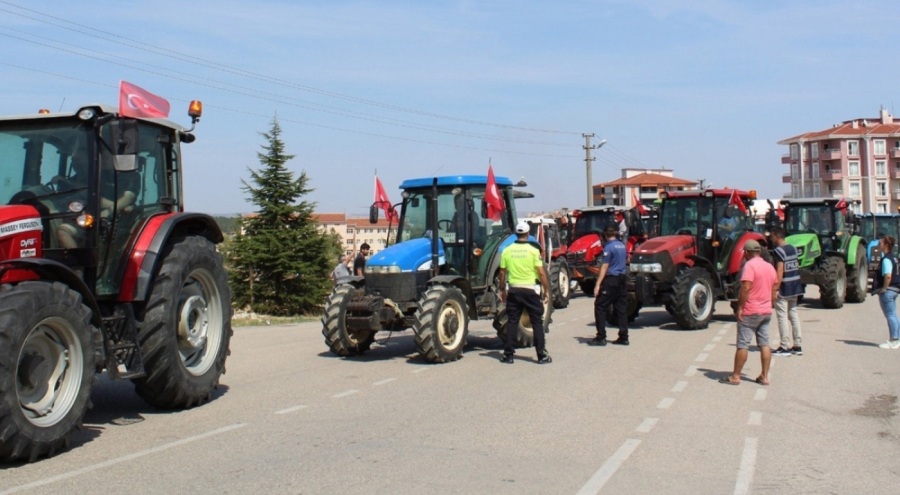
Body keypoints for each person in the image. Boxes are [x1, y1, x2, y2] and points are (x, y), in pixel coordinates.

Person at [720, 239, 778, 386]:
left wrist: (740, 307)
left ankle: (736, 376)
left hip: (751, 310)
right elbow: (775, 287)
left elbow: (746, 287)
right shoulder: (769, 266)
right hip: (766, 311)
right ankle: (764, 376)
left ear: (746, 252)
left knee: (743, 344)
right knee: (764, 344)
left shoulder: (749, 266)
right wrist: (770, 303)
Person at [497, 221, 552, 364]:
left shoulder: (507, 250)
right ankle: (542, 355)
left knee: (512, 322)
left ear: (516, 234)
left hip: (514, 290)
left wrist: (502, 290)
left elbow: (502, 273)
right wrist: (546, 290)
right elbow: (541, 272)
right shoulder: (533, 251)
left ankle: (508, 355)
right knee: (536, 323)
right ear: (528, 234)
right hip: (530, 291)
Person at [591, 223, 629, 346]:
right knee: (621, 308)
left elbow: (605, 266)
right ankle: (624, 337)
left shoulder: (608, 247)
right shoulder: (622, 246)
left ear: (605, 234)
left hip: (612, 279)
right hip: (622, 279)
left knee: (600, 306)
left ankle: (601, 337)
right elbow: (627, 260)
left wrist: (598, 284)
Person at [770, 227, 803, 356]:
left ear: (777, 236)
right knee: (794, 315)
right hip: (795, 285)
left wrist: (775, 288)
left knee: (782, 317)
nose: (771, 238)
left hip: (784, 287)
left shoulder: (778, 251)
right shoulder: (793, 248)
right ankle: (797, 345)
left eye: (772, 236)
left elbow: (780, 270)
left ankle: (784, 346)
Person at [872, 235, 900, 349]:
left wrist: (884, 288)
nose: (878, 245)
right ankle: (897, 338)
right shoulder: (894, 258)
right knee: (893, 315)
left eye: (880, 243)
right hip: (895, 289)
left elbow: (888, 275)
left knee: (890, 315)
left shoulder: (886, 259)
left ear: (886, 245)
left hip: (888, 291)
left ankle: (893, 340)